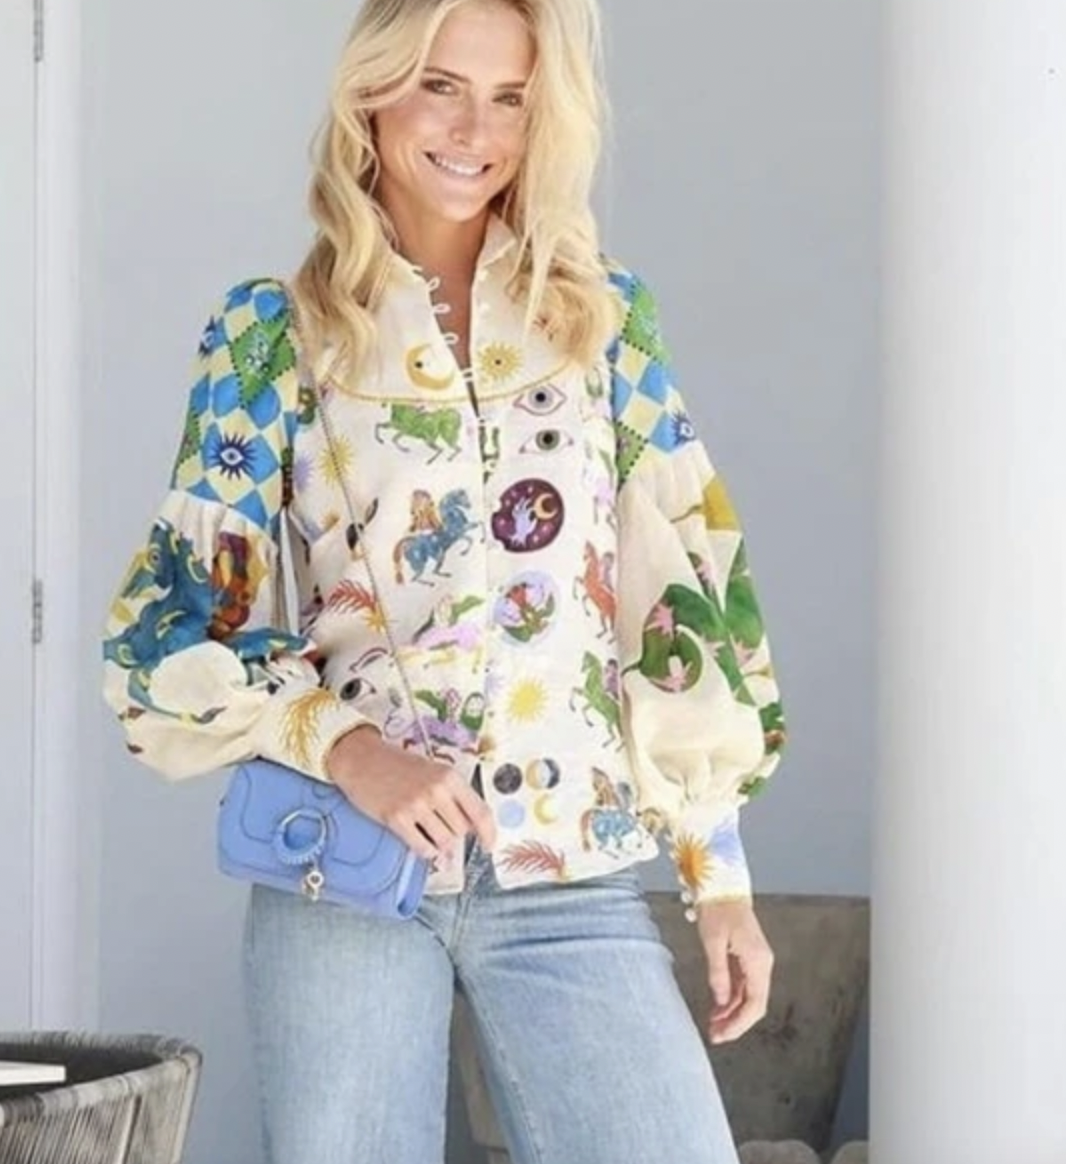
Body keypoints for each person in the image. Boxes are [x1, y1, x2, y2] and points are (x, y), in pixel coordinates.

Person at [102, 0, 787, 1160]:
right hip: (347, 872)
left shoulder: (603, 323)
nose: (476, 131)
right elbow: (170, 633)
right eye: (441, 87)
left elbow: (682, 602)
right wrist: (347, 747)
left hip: (572, 870)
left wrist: (715, 873)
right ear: (371, 95)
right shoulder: (273, 337)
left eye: (510, 98)